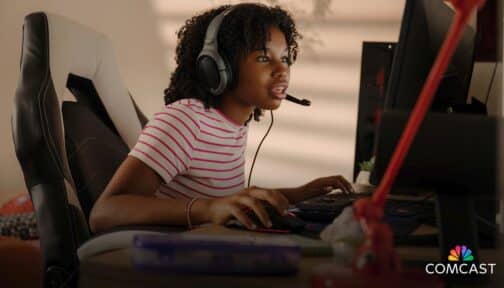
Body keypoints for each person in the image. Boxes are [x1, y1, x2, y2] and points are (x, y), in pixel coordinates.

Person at [89, 3, 353, 234]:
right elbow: (104, 212)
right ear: (216, 66)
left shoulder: (232, 124)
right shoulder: (185, 120)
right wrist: (207, 209)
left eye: (285, 58)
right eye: (264, 57)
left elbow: (223, 198)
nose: (282, 70)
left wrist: (298, 194)